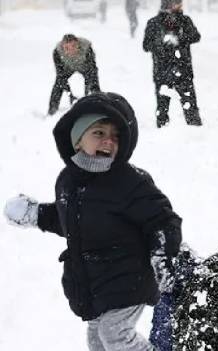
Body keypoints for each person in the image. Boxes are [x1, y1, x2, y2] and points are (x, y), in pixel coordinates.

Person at [3, 92, 182, 350]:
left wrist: (163, 256)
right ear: (77, 140)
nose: (109, 141)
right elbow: (69, 219)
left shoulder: (129, 182)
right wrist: (36, 214)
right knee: (97, 340)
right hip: (97, 283)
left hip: (130, 278)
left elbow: (162, 219)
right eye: (99, 132)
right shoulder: (68, 180)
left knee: (115, 334)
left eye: (115, 136)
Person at [143, 0, 202, 127]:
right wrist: (162, 42)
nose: (180, 6)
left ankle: (196, 133)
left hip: (183, 70)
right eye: (177, 3)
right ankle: (162, 133)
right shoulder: (154, 23)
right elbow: (146, 45)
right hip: (162, 72)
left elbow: (196, 36)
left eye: (180, 3)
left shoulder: (185, 21)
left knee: (190, 106)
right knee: (162, 108)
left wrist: (179, 39)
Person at [48, 34, 101, 115]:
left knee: (93, 83)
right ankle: (52, 111)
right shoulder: (57, 53)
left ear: (78, 44)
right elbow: (61, 76)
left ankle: (99, 106)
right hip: (67, 67)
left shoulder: (87, 49)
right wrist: (70, 95)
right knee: (58, 85)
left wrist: (86, 95)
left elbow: (92, 70)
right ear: (63, 47)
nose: (71, 50)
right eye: (67, 48)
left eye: (73, 46)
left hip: (84, 66)